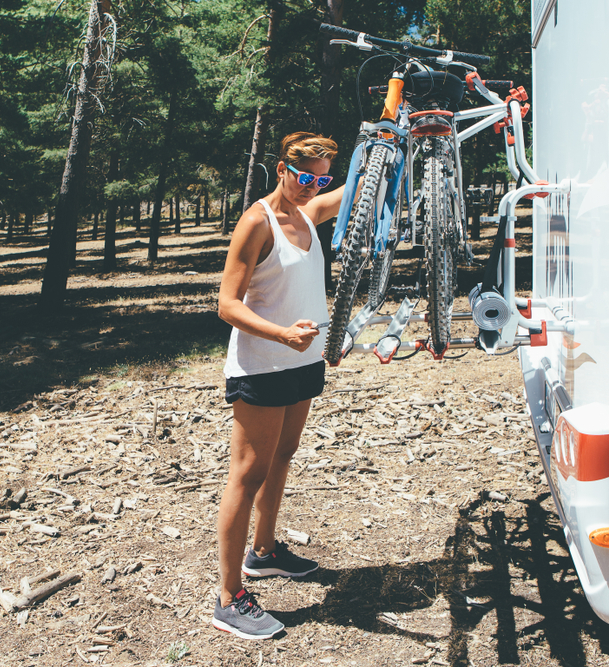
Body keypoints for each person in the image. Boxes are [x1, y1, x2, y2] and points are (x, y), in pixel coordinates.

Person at [212, 132, 345, 639]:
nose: (313, 186)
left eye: (322, 177)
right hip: (264, 365)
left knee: (284, 455)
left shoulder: (309, 212)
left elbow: (362, 185)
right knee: (247, 474)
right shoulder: (257, 221)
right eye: (305, 175)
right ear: (281, 168)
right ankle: (228, 597)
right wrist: (282, 334)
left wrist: (393, 128)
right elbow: (227, 303)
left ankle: (263, 553)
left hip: (304, 361)